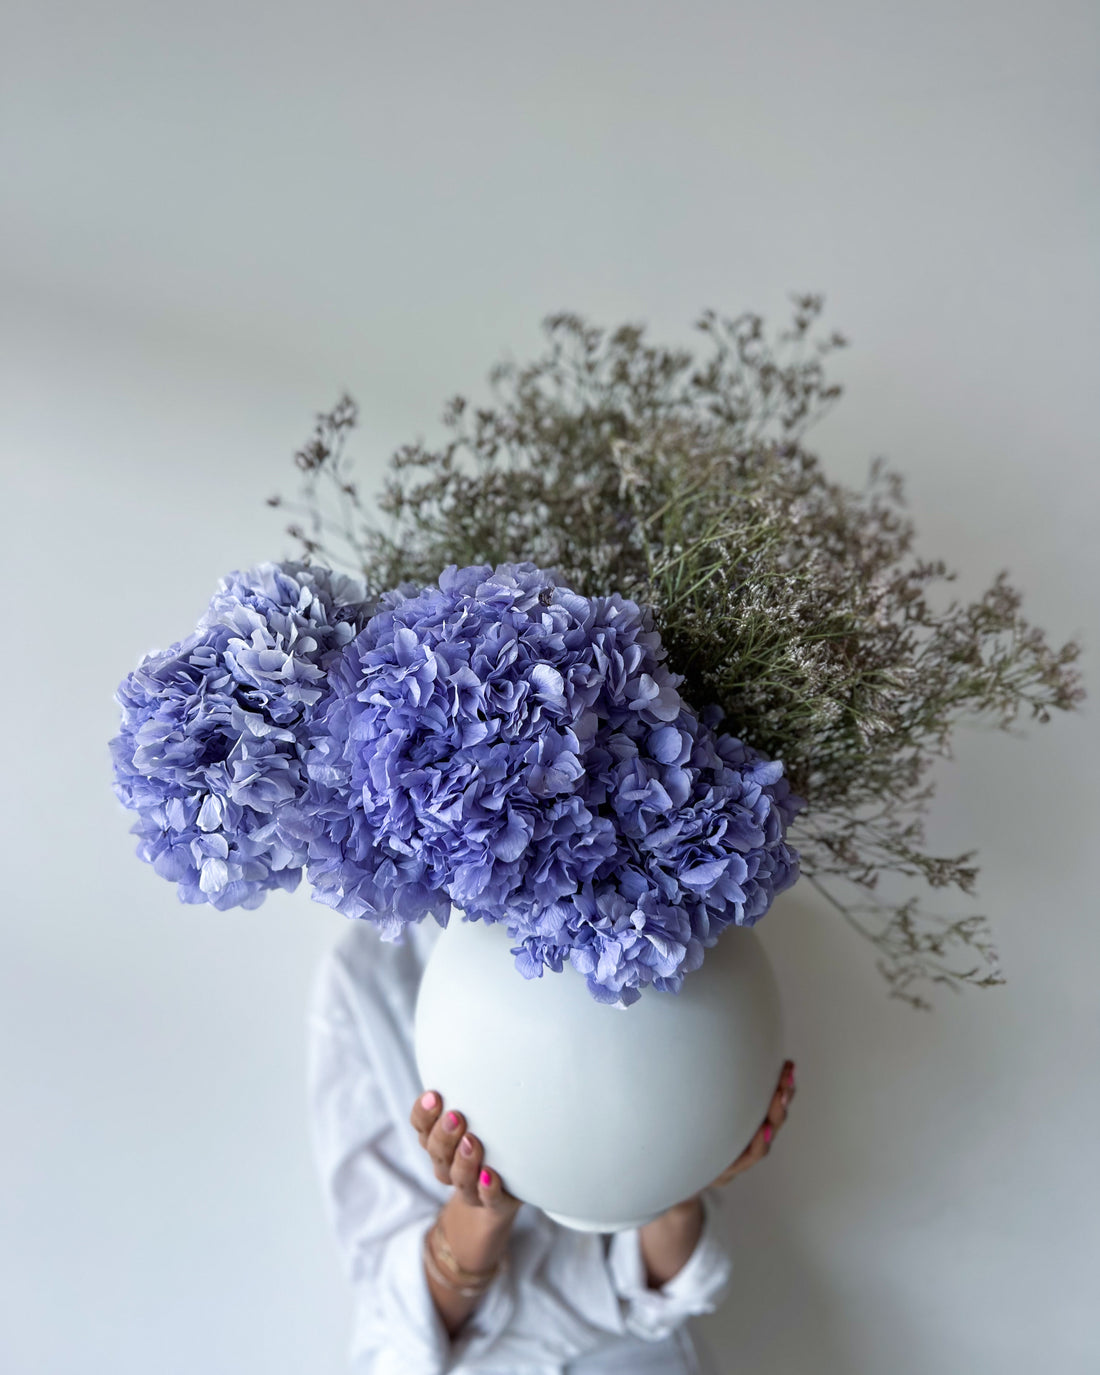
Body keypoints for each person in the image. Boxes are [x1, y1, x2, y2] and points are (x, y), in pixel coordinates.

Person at [307, 914, 796, 1375]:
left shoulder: (659, 913)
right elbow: (402, 1323)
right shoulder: (375, 970)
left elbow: (665, 1289)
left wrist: (688, 1170)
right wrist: (483, 1204)